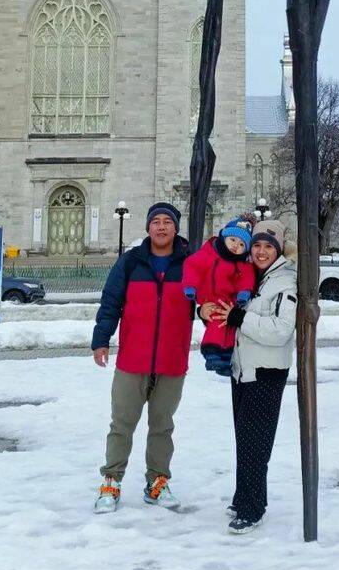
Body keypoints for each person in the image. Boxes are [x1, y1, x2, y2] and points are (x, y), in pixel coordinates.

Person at [91, 201, 193, 514]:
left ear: (176, 228)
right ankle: (112, 480)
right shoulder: (131, 262)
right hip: (133, 360)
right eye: (156, 221)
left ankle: (157, 481)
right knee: (121, 424)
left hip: (171, 361)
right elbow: (111, 302)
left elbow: (210, 300)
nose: (161, 227)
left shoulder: (190, 263)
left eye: (167, 221)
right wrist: (101, 339)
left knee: (162, 427)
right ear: (148, 227)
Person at [205, 217, 297, 535]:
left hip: (266, 371)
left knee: (256, 444)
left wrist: (238, 316)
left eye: (267, 246)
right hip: (243, 370)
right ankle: (243, 496)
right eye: (256, 245)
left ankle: (253, 507)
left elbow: (281, 331)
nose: (260, 251)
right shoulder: (253, 277)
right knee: (244, 440)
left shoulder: (285, 282)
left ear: (278, 249)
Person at [182, 216, 256, 375]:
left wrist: (244, 293)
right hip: (210, 298)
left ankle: (225, 359)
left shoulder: (241, 263)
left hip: (229, 301)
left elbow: (246, 277)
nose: (236, 246)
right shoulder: (208, 253)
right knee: (216, 325)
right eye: (233, 240)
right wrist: (190, 286)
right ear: (224, 237)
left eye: (242, 244)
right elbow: (192, 266)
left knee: (229, 328)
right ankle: (212, 353)